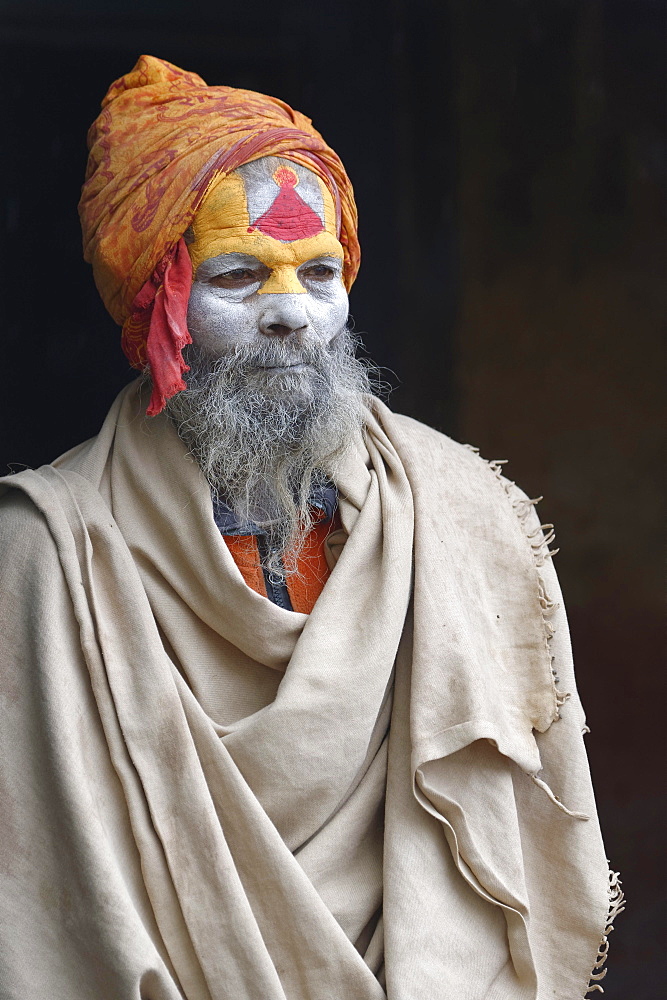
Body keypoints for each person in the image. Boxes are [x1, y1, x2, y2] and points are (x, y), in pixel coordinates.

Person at [0, 55, 621, 1000]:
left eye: (319, 272)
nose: (293, 314)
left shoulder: (462, 506)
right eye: (238, 276)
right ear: (154, 308)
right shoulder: (44, 553)